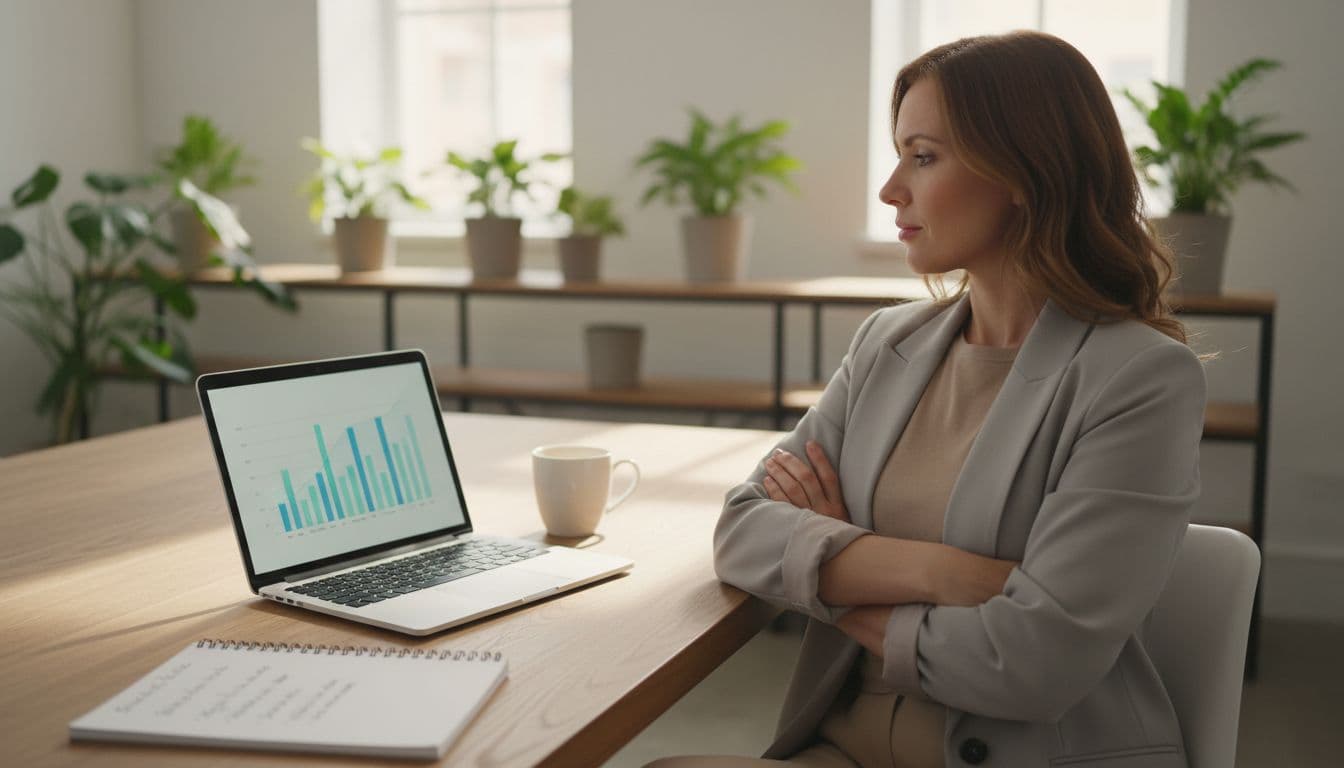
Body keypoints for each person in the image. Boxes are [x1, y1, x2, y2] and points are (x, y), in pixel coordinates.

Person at [653, 30, 1207, 768]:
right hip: (845, 747)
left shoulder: (1139, 379)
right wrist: (940, 571)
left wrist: (835, 563)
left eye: (922, 156)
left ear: (1024, 172)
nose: (890, 189)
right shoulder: (887, 342)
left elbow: (1032, 664)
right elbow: (744, 531)